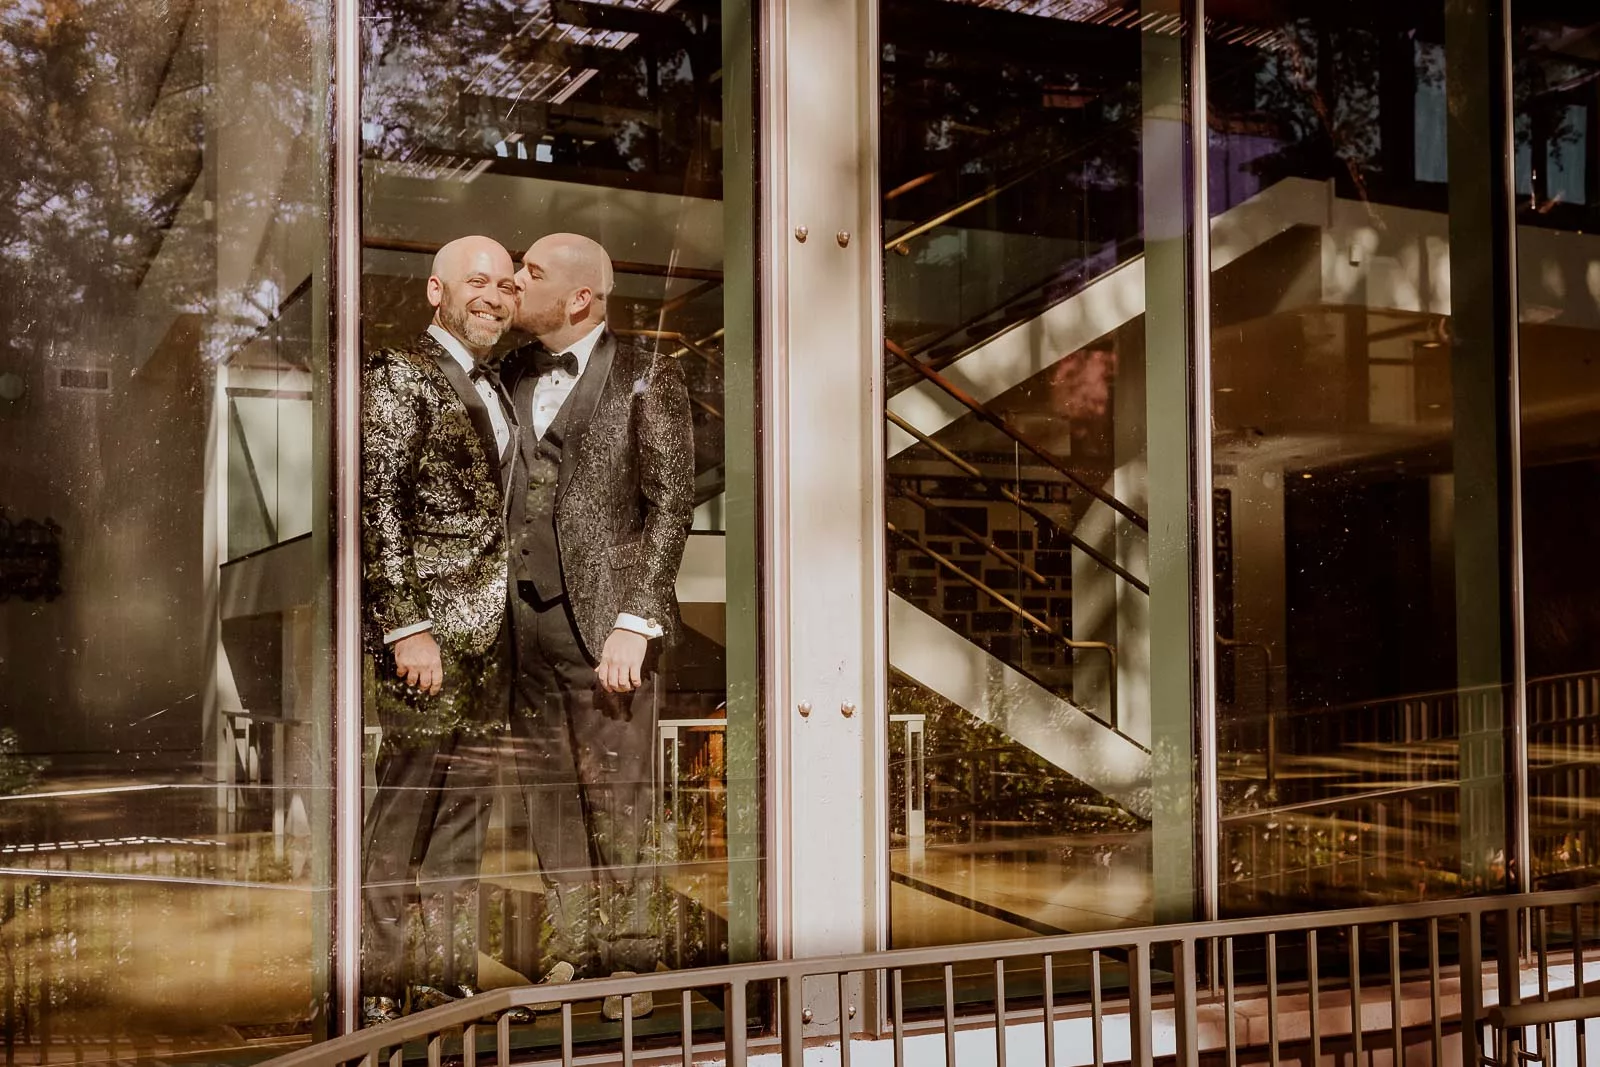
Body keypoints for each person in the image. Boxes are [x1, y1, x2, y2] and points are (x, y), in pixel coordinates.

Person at [502, 233, 695, 1019]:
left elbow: (672, 502)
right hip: (520, 624)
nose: (516, 281)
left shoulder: (649, 375)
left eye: (532, 273)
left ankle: (634, 961)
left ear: (579, 297)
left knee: (619, 796)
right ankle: (571, 950)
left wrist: (636, 619)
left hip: (609, 626)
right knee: (546, 793)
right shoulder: (512, 373)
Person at [359, 235, 520, 1024]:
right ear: (436, 291)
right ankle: (381, 983)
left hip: (494, 644)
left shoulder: (504, 389)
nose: (493, 294)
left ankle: (448, 978)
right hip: (426, 643)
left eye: (504, 284)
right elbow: (376, 504)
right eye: (476, 281)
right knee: (403, 814)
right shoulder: (398, 374)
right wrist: (404, 626)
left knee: (466, 819)